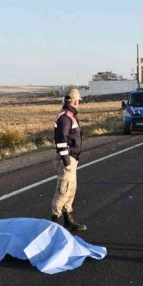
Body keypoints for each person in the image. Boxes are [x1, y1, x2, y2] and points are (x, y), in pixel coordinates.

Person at [51, 89, 86, 231]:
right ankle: (55, 225)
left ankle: (68, 221)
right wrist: (66, 162)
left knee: (70, 189)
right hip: (67, 158)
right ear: (75, 101)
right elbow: (60, 140)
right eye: (78, 101)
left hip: (72, 157)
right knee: (63, 190)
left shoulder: (71, 115)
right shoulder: (66, 117)